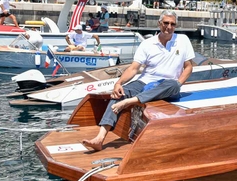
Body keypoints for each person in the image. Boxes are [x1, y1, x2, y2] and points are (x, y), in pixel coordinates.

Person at [82, 10, 194, 151]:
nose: (169, 27)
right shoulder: (148, 44)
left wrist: (178, 84)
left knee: (172, 83)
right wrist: (118, 83)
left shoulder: (183, 40)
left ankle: (131, 101)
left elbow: (189, 67)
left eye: (172, 24)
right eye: (166, 23)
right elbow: (134, 68)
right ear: (160, 24)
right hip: (145, 82)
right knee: (119, 93)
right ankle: (99, 138)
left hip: (167, 85)